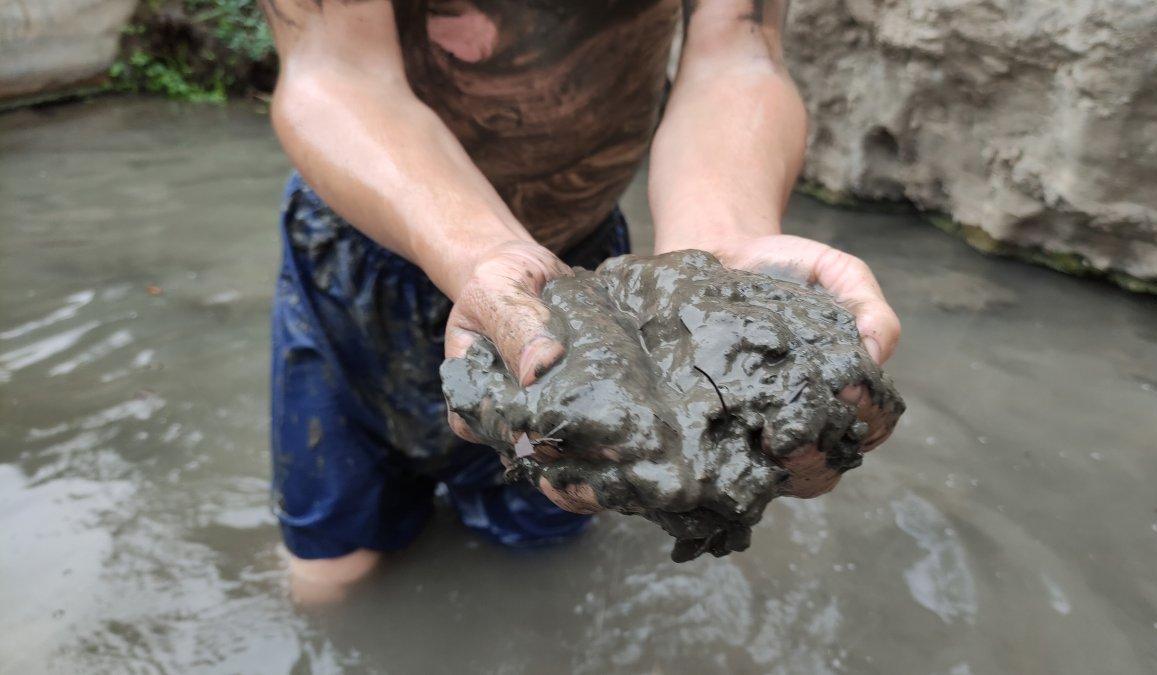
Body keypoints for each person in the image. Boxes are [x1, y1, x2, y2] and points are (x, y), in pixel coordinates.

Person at [261, 0, 901, 601]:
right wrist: (477, 253)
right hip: (362, 257)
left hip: (582, 270)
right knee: (333, 570)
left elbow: (736, 50)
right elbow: (335, 69)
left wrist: (714, 256)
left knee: (541, 546)